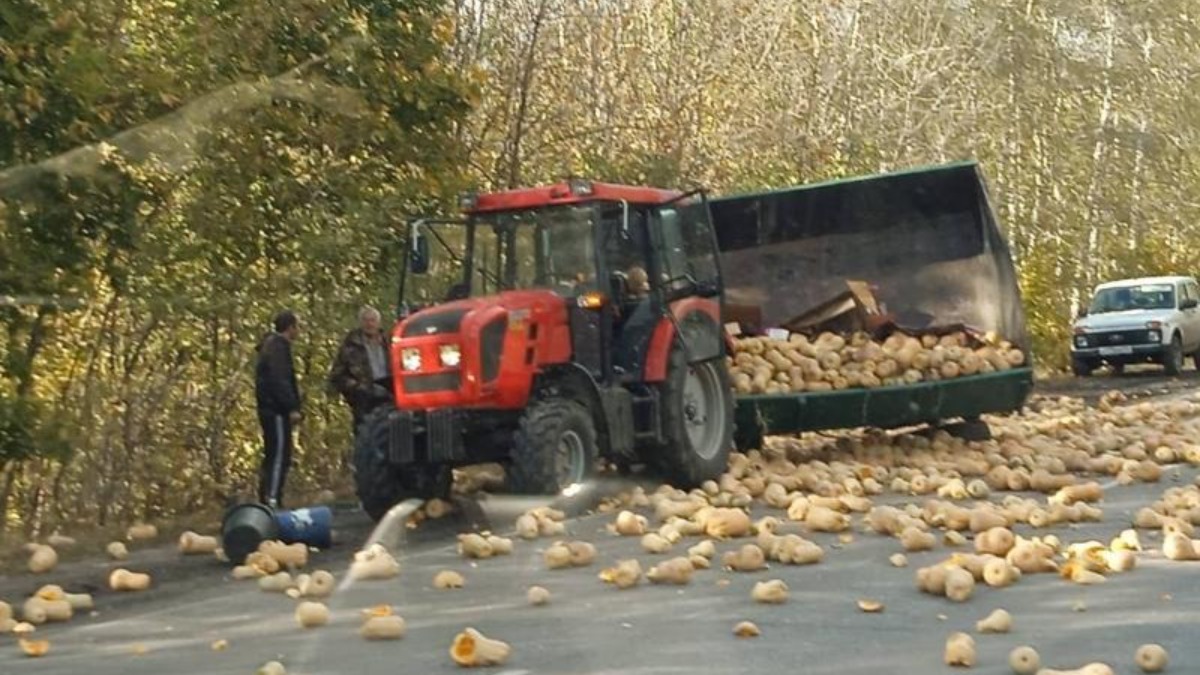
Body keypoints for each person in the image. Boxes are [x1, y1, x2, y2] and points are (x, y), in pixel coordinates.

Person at [255, 310, 302, 509]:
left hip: (271, 408)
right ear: (290, 327)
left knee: (275, 453)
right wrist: (291, 406)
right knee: (279, 455)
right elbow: (280, 380)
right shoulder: (277, 348)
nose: (298, 331)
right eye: (297, 326)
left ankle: (269, 497)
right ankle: (271, 500)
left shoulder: (273, 346)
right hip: (275, 410)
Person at [328, 305, 393, 434]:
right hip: (364, 401)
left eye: (372, 320)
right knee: (365, 437)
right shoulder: (351, 345)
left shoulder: (390, 343)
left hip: (389, 397)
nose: (369, 324)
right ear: (360, 323)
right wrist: (356, 387)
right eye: (366, 320)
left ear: (378, 322)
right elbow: (337, 376)